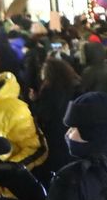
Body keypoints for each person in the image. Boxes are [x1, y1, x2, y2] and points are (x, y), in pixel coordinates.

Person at [30, 58, 79, 187]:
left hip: (53, 137)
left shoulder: (48, 90)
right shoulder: (76, 87)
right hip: (71, 134)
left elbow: (43, 115)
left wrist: (34, 101)